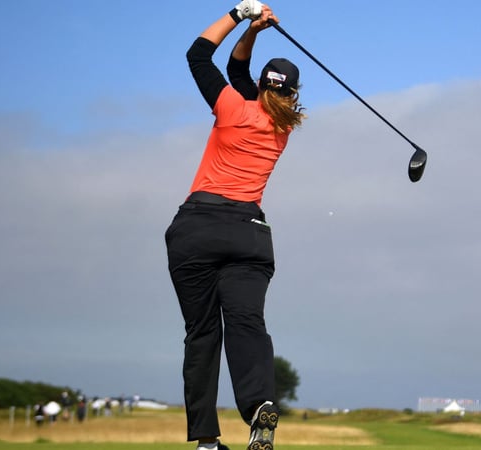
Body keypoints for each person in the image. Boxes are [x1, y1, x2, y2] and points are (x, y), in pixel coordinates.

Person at [165, 2, 305, 450]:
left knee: (202, 333)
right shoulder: (281, 126)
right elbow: (237, 69)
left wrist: (238, 14)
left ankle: (206, 441)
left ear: (260, 87)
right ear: (292, 95)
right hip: (249, 232)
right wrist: (255, 30)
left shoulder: (229, 106)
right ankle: (259, 401)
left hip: (198, 228)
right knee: (247, 323)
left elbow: (199, 55)